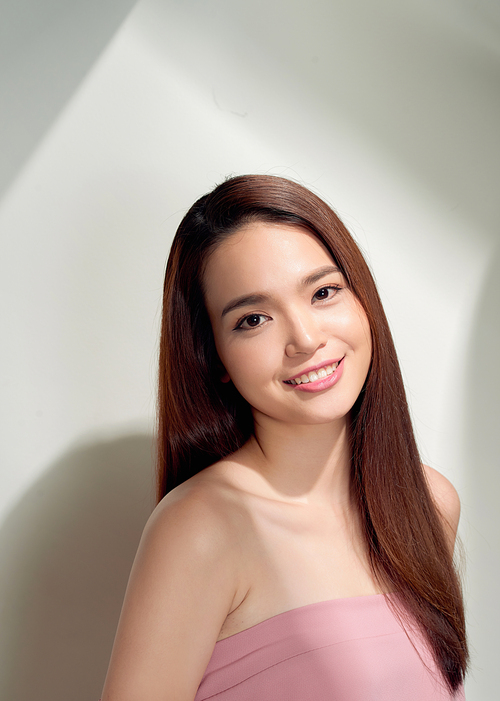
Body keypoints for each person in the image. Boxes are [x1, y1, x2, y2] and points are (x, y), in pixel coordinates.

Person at [100, 175, 468, 700]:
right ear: (215, 358)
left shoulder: (429, 503)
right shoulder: (203, 528)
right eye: (253, 319)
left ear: (362, 300)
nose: (306, 338)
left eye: (323, 292)